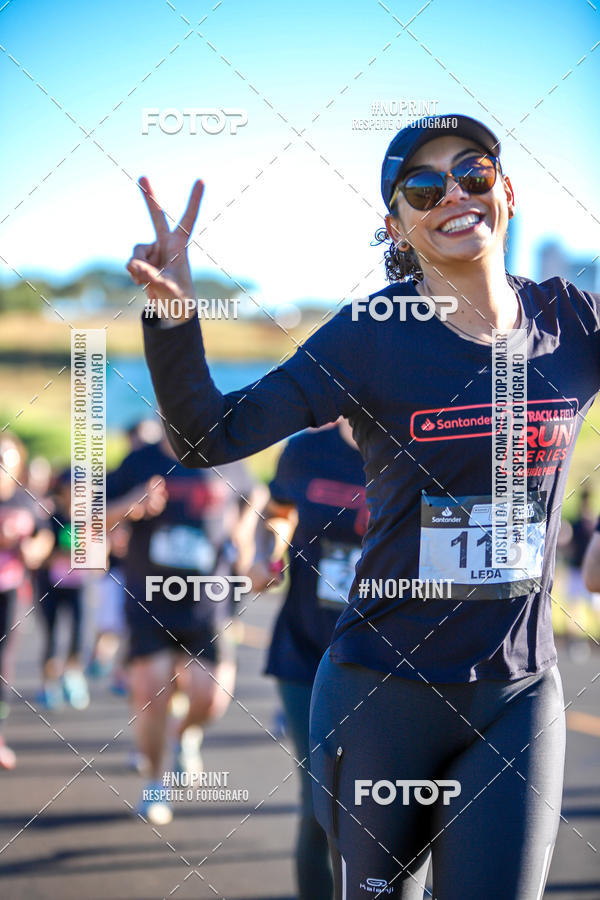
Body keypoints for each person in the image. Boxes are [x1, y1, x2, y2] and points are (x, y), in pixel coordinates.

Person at [126, 113, 597, 898]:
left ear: (506, 190)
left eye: (472, 172)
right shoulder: (373, 335)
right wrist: (175, 319)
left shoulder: (571, 323)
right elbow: (209, 434)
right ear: (398, 225)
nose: (453, 192)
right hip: (384, 696)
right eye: (423, 185)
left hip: (518, 693)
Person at [106, 426, 257, 825]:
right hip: (150, 603)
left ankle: (182, 733)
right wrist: (130, 506)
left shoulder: (227, 455)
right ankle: (155, 786)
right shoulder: (141, 461)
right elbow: (91, 518)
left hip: (208, 606)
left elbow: (254, 493)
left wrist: (242, 534)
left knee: (212, 700)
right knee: (150, 692)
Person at [249, 418, 367, 900]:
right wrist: (269, 556)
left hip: (390, 656)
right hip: (306, 647)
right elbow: (279, 510)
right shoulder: (305, 450)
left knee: (393, 802)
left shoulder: (414, 439)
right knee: (319, 799)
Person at [0, 434, 53, 767]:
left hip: (10, 592)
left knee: (3, 665)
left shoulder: (25, 501)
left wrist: (34, 549)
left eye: (7, 459)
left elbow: (45, 534)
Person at [36, 469, 92, 710]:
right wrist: (67, 554)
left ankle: (73, 676)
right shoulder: (50, 516)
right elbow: (41, 555)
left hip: (79, 586)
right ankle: (49, 684)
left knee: (80, 634)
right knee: (52, 635)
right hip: (50, 585)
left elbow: (102, 557)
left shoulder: (91, 518)